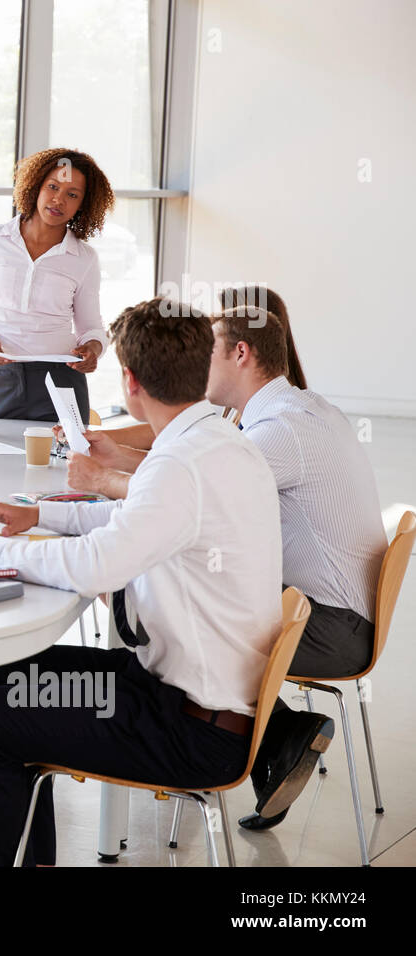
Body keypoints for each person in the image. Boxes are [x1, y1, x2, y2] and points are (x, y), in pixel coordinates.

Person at [0, 297, 283, 866]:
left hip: (188, 731)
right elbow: (136, 518)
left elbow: (98, 565)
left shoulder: (179, 465)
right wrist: (39, 515)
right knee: (7, 669)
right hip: (190, 699)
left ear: (130, 380)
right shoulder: (216, 444)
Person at [204, 305, 387, 830]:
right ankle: (279, 739)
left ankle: (274, 739)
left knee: (188, 617)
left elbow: (193, 492)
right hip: (336, 612)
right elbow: (200, 471)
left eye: (208, 353)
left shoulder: (282, 431)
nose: (200, 365)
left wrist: (103, 482)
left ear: (241, 354)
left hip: (334, 629)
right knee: (203, 589)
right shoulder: (302, 410)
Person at [66, 284, 307, 500]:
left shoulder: (275, 430)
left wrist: (102, 477)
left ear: (240, 351)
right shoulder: (252, 405)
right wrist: (115, 453)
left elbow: (187, 488)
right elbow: (186, 466)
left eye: (212, 342)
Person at [0, 148, 115, 423]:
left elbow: (91, 327)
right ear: (35, 186)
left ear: (83, 204)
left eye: (72, 194)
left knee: (63, 464)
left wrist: (93, 350)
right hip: (2, 378)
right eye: (52, 186)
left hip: (62, 380)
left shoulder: (84, 258)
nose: (59, 199)